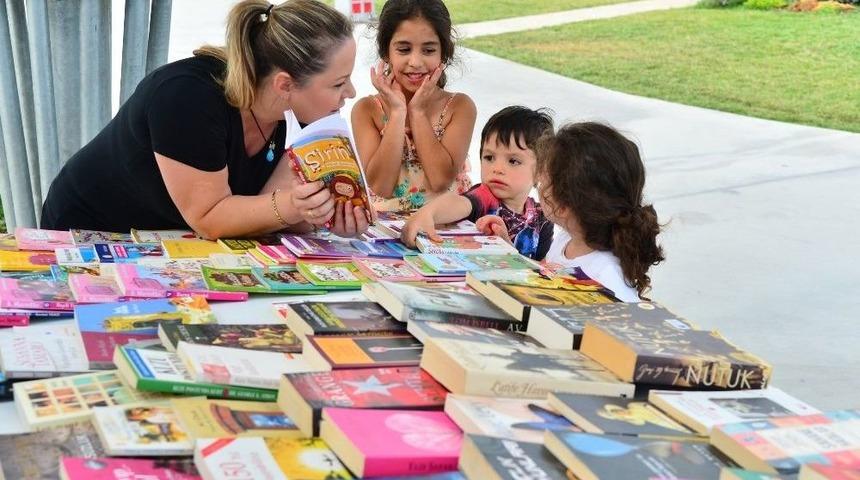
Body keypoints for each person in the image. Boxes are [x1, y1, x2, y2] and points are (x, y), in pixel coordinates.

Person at [40, 0, 369, 239]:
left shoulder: (302, 111)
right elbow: (210, 217)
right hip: (91, 231)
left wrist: (320, 214)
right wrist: (293, 207)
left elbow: (262, 211)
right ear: (285, 84)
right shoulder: (185, 97)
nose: (351, 92)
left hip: (171, 241)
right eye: (338, 83)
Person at [351, 0, 476, 212]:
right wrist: (399, 113)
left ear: (443, 53)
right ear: (386, 52)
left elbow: (440, 181)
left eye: (428, 50)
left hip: (444, 225)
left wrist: (417, 112)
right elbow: (381, 186)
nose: (416, 61)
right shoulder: (366, 110)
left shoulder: (459, 107)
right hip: (384, 228)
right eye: (404, 49)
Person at [401, 106, 554, 260]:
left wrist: (508, 246)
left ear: (541, 171)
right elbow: (458, 202)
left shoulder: (543, 219)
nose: (497, 169)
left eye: (513, 161)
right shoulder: (484, 197)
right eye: (489, 157)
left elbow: (539, 270)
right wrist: (429, 213)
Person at [533, 122, 665, 302]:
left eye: (542, 181)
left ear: (563, 207)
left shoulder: (605, 277)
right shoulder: (566, 241)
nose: (538, 185)